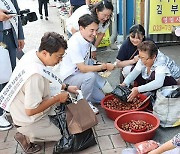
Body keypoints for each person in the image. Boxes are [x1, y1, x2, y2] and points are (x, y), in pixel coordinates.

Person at [0, 32, 78, 153]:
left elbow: (48, 75)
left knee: (68, 105)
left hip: (28, 105)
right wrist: (57, 99)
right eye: (58, 56)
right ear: (45, 53)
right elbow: (30, 111)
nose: (60, 60)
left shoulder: (34, 54)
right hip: (27, 119)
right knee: (67, 134)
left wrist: (66, 87)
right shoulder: (34, 76)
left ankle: (39, 128)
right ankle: (26, 135)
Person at [59, 14, 114, 114]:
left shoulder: (86, 40)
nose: (95, 34)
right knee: (90, 76)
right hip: (69, 78)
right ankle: (85, 104)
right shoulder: (75, 43)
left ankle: (77, 95)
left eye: (96, 30)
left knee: (101, 98)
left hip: (80, 76)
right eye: (91, 30)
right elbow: (83, 68)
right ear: (81, 28)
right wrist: (104, 66)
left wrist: (101, 66)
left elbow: (89, 63)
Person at [0, 0, 25, 131]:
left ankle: (6, 104)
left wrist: (20, 36)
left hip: (10, 37)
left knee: (10, 74)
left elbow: (17, 13)